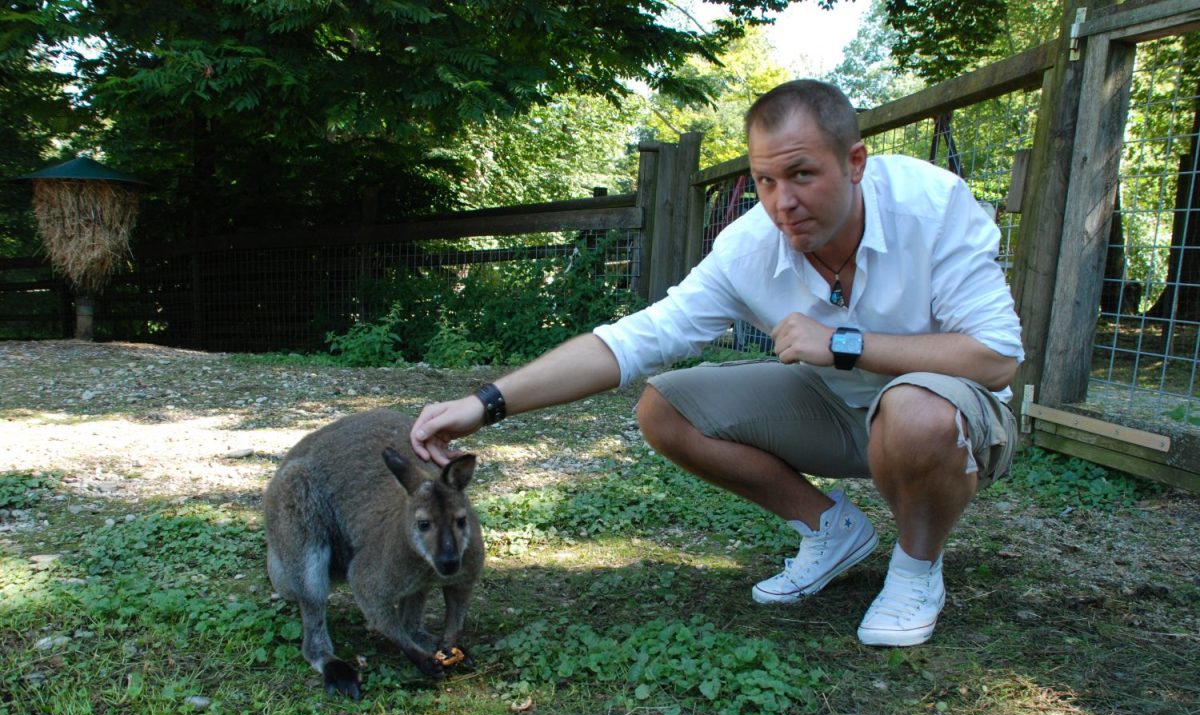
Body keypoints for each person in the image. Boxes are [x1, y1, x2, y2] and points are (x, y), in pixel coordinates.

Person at [410, 79, 1024, 648]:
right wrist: (483, 405)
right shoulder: (748, 248)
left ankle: (917, 568)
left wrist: (843, 343)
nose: (783, 203)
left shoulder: (933, 205)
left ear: (855, 162)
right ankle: (830, 530)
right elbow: (632, 340)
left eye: (802, 174)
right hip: (838, 410)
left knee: (914, 412)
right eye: (765, 181)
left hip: (947, 418)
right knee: (666, 406)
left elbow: (996, 357)